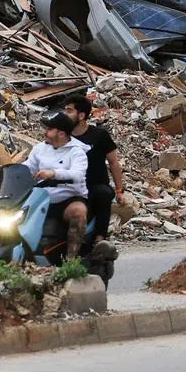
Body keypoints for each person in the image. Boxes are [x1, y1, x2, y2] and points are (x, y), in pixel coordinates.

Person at [24, 114, 89, 260]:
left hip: (67, 199)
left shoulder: (77, 152)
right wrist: (12, 171)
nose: (45, 132)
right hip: (40, 198)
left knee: (78, 212)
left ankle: (71, 259)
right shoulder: (39, 149)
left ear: (61, 133)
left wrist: (53, 173)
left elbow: (77, 174)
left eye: (49, 129)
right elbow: (28, 168)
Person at [65, 94, 123, 254]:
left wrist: (119, 190)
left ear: (81, 115)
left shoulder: (99, 135)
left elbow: (113, 163)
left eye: (69, 111)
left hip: (95, 186)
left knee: (104, 193)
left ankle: (100, 239)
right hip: (71, 186)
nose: (65, 115)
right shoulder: (63, 136)